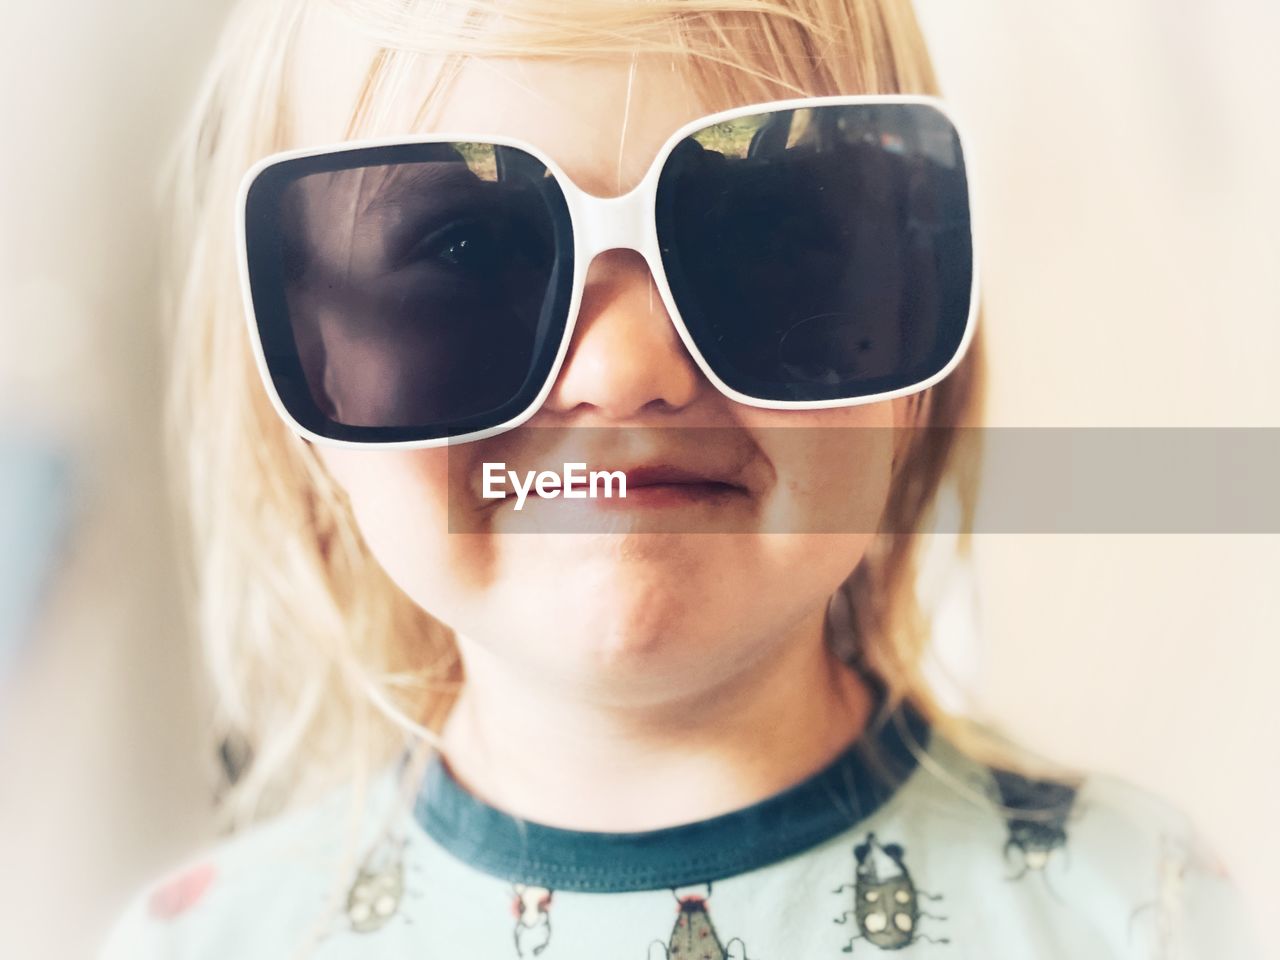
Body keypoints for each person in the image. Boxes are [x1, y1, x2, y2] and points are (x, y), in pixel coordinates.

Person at [101, 0, 1259, 957]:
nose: (624, 370)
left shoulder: (1139, 912)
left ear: (909, 371)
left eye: (760, 234)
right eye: (466, 251)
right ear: (301, 394)